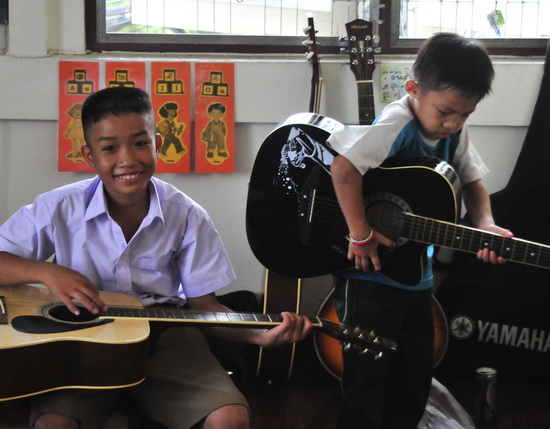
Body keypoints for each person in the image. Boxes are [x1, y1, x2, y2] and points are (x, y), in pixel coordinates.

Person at [0, 86, 312, 429]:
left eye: (140, 143)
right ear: (89, 156)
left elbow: (206, 309)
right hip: (79, 341)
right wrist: (47, 273)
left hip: (166, 336)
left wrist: (258, 336)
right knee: (53, 424)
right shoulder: (57, 207)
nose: (127, 160)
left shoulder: (188, 215)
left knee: (230, 419)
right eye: (109, 148)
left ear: (158, 144)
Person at [326, 32, 512, 429]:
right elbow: (343, 168)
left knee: (415, 373)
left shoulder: (453, 129)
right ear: (414, 90)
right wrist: (360, 233)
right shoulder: (398, 123)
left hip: (415, 277)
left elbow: (472, 180)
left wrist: (485, 225)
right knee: (366, 378)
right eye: (446, 111)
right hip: (370, 276)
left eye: (465, 115)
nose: (454, 123)